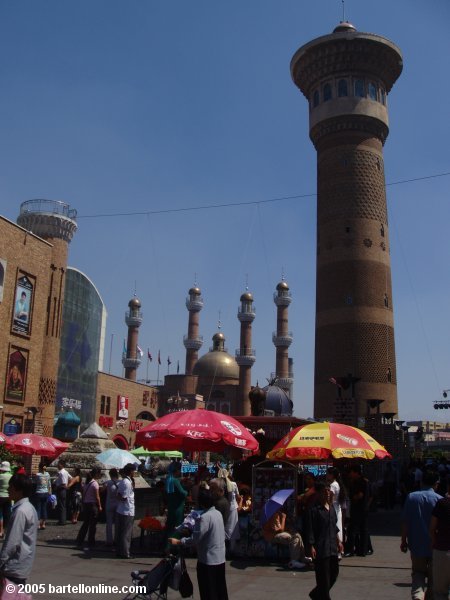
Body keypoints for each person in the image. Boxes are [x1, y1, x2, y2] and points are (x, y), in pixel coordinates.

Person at [169, 487, 228, 600]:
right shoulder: (217, 514)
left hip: (208, 561)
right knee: (220, 588)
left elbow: (195, 539)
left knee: (208, 590)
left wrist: (179, 541)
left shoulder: (204, 518)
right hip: (220, 558)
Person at [401, 470, 442, 600]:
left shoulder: (411, 497)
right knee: (433, 579)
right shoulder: (440, 500)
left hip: (416, 544)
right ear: (436, 484)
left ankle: (418, 595)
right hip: (436, 546)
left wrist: (403, 540)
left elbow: (405, 522)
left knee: (418, 573)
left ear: (421, 482)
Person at [307, 481, 343, 600]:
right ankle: (323, 596)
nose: (327, 493)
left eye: (328, 490)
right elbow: (310, 529)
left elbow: (334, 527)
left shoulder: (331, 507)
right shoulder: (314, 510)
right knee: (324, 579)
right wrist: (311, 546)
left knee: (334, 574)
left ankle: (316, 594)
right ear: (318, 493)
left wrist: (339, 542)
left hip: (332, 547)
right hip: (321, 548)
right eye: (324, 491)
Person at [0, 474, 38, 584]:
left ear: (19, 490)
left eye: (10, 487)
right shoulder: (30, 508)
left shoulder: (20, 511)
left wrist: (1, 562)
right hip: (22, 566)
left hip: (13, 567)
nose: (8, 489)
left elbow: (12, 542)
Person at [430, 478, 450, 600]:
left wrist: (434, 543)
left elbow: (432, 528)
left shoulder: (442, 503)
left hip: (442, 550)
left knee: (440, 592)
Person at [345, 465, 370, 557]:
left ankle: (351, 550)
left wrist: (353, 497)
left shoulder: (360, 482)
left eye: (351, 472)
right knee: (363, 529)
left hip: (358, 508)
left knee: (353, 530)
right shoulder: (364, 481)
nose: (350, 474)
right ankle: (363, 550)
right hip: (363, 508)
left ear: (356, 472)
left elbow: (360, 495)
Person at [76, 467, 102, 550]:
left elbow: (83, 494)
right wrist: (100, 506)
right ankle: (91, 541)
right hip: (93, 505)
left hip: (86, 504)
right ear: (96, 474)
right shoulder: (95, 484)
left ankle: (80, 539)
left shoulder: (87, 483)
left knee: (85, 523)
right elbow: (97, 497)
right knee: (92, 525)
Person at [116, 463, 136, 559]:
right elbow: (123, 497)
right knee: (126, 533)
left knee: (121, 532)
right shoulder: (127, 483)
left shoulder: (124, 481)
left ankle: (120, 551)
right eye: (133, 471)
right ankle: (125, 552)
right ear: (131, 471)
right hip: (127, 510)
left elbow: (119, 495)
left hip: (122, 509)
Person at [326, 467, 346, 558]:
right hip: (337, 508)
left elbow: (330, 499)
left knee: (334, 529)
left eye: (328, 473)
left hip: (333, 508)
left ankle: (338, 550)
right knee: (338, 528)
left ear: (332, 475)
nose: (327, 475)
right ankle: (340, 550)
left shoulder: (333, 485)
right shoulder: (337, 484)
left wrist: (328, 508)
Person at [220, 470, 241, 555]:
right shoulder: (233, 484)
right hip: (232, 508)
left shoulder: (219, 484)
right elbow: (238, 496)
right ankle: (232, 548)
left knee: (223, 527)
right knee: (233, 528)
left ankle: (223, 549)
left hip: (222, 507)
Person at [165, 462, 188, 538]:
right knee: (176, 527)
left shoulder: (168, 478)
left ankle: (167, 545)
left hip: (171, 506)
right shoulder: (175, 481)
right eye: (180, 469)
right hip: (177, 507)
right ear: (176, 470)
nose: (180, 471)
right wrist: (187, 489)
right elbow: (183, 493)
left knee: (170, 527)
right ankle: (171, 546)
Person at [32, 462, 51, 530]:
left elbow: (34, 482)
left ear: (39, 467)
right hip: (46, 492)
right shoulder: (48, 474)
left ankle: (38, 524)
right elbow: (49, 484)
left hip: (39, 492)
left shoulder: (37, 475)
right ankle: (43, 524)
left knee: (38, 508)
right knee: (44, 508)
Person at [103, 468, 120, 546]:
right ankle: (117, 539)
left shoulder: (108, 483)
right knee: (117, 523)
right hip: (117, 504)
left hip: (109, 504)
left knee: (109, 523)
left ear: (110, 475)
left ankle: (109, 540)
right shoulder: (120, 483)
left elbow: (102, 490)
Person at [54, 460, 72, 525]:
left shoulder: (62, 473)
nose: (57, 465)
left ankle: (62, 521)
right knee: (62, 505)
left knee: (62, 505)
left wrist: (58, 487)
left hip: (61, 490)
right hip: (62, 490)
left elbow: (64, 484)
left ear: (62, 465)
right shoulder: (65, 472)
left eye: (58, 464)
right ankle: (62, 520)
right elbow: (71, 478)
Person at [0, 461, 12, 539]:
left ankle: (0, 531)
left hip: (0, 496)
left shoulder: (0, 476)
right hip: (8, 497)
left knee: (0, 514)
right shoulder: (12, 476)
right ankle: (4, 530)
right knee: (7, 514)